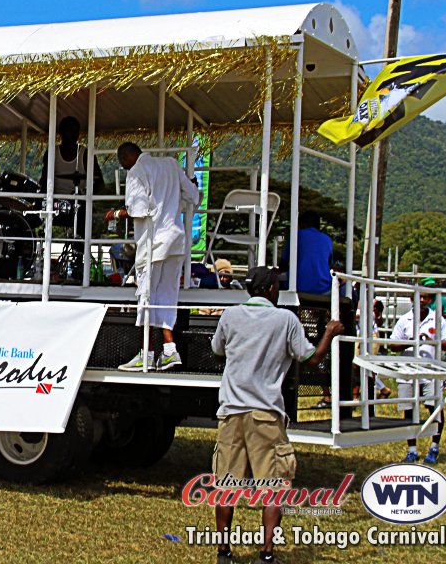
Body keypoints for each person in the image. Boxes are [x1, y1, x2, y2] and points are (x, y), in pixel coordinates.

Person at [211, 266, 344, 564]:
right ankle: (266, 554)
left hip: (231, 412)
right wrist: (329, 332)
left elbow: (217, 351)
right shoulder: (285, 319)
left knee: (226, 486)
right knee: (273, 488)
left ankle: (224, 553)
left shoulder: (230, 316)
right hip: (266, 414)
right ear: (272, 290)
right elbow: (312, 358)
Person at [105, 142, 199, 371]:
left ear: (127, 159)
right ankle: (169, 351)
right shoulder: (171, 164)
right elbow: (194, 196)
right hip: (176, 240)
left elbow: (138, 210)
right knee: (166, 296)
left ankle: (146, 355)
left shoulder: (137, 171)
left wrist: (116, 213)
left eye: (123, 166)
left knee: (146, 297)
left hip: (153, 243)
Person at [389, 278, 446, 464]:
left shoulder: (437, 320)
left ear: (430, 300)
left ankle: (434, 447)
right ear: (412, 299)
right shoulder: (404, 320)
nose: (422, 300)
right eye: (419, 297)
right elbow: (393, 345)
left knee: (435, 409)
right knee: (409, 411)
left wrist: (433, 341)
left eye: (426, 297)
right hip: (408, 372)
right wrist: (412, 340)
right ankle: (412, 450)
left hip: (429, 372)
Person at [39, 116, 105, 233]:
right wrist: (44, 198)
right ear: (61, 132)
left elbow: (100, 183)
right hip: (54, 201)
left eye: (75, 131)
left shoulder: (85, 154)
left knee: (83, 213)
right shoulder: (52, 152)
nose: (72, 134)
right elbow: (44, 180)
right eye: (68, 130)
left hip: (78, 202)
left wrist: (86, 197)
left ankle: (79, 249)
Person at [281, 211, 332, 294]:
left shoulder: (295, 236)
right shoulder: (327, 239)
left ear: (303, 223)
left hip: (297, 287)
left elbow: (283, 263)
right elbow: (328, 263)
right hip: (323, 288)